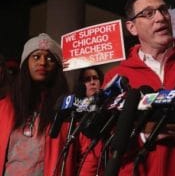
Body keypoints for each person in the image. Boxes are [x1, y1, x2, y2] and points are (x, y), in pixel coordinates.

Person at [103, 0, 175, 175]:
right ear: (132, 27)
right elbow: (107, 139)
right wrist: (145, 131)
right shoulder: (115, 77)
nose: (161, 18)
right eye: (148, 13)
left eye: (163, 10)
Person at [0, 33, 101, 176]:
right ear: (25, 63)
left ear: (57, 67)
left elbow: (90, 153)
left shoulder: (71, 107)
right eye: (36, 57)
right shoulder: (5, 107)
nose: (42, 62)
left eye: (49, 58)